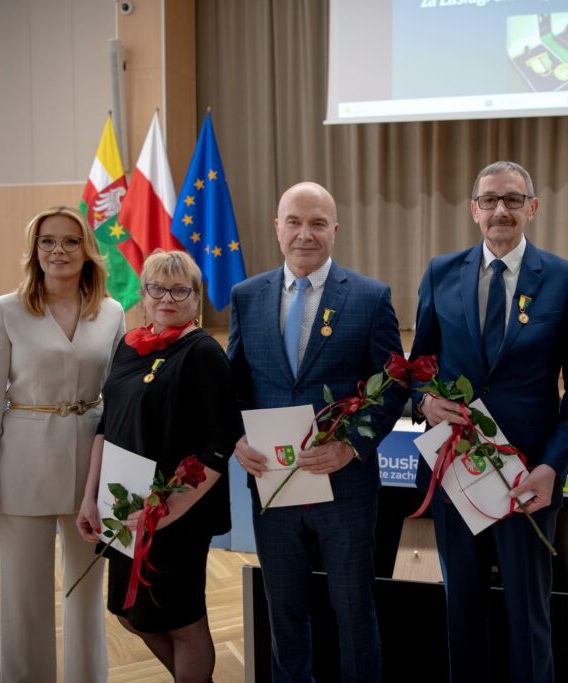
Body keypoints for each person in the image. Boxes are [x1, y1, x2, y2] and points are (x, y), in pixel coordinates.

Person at [409, 160, 568, 683]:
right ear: (474, 210)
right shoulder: (440, 272)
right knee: (462, 609)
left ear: (532, 208)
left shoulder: (566, 280)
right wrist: (424, 402)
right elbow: (417, 369)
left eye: (513, 200)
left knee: (527, 614)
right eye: (489, 200)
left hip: (528, 482)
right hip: (457, 475)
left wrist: (550, 469)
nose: (500, 210)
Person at [227, 181, 407, 682]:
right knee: (284, 613)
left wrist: (351, 447)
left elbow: (393, 385)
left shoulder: (371, 298)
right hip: (272, 486)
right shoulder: (245, 297)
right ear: (277, 227)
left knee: (353, 612)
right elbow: (234, 387)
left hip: (344, 488)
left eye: (317, 223)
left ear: (335, 230)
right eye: (294, 222)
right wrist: (236, 439)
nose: (305, 234)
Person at [0, 206, 124, 683]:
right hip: (21, 467)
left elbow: (120, 399)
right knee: (23, 597)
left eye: (70, 241)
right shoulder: (5, 310)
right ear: (34, 250)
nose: (58, 250)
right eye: (47, 241)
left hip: (89, 472)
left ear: (87, 251)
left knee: (85, 594)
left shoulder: (112, 311)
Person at [76, 250, 235, 682]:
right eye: (157, 288)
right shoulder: (129, 345)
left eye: (180, 289)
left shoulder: (203, 353)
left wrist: (171, 508)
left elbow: (221, 442)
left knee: (182, 620)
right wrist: (90, 498)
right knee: (130, 615)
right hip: (124, 506)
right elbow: (105, 426)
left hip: (177, 512)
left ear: (195, 298)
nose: (168, 297)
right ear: (144, 295)